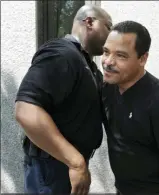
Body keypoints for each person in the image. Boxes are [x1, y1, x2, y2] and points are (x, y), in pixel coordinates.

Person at [14, 5, 112, 194]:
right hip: (52, 168)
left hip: (64, 166)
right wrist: (75, 163)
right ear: (89, 22)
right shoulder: (62, 53)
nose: (112, 34)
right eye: (109, 26)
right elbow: (25, 110)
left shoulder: (87, 65)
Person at [101, 21, 159, 194]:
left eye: (121, 55)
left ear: (143, 58)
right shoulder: (106, 89)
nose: (108, 62)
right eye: (106, 52)